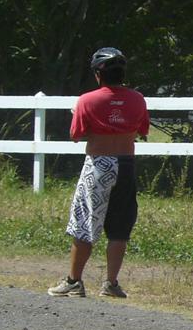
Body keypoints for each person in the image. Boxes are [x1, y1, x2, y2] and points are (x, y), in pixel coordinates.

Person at [48, 48, 149, 299]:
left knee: (85, 221)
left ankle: (74, 281)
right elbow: (142, 130)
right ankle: (111, 283)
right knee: (120, 225)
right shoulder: (138, 99)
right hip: (126, 164)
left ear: (98, 75)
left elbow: (76, 134)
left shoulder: (87, 100)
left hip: (99, 164)